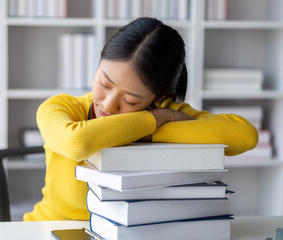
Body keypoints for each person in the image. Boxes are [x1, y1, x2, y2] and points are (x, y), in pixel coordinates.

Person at [23, 17, 258, 221]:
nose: (108, 104)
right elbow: (77, 142)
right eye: (105, 83)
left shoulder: (165, 109)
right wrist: (155, 120)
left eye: (131, 100)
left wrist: (150, 126)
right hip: (48, 229)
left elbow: (245, 136)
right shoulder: (62, 108)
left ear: (157, 97)